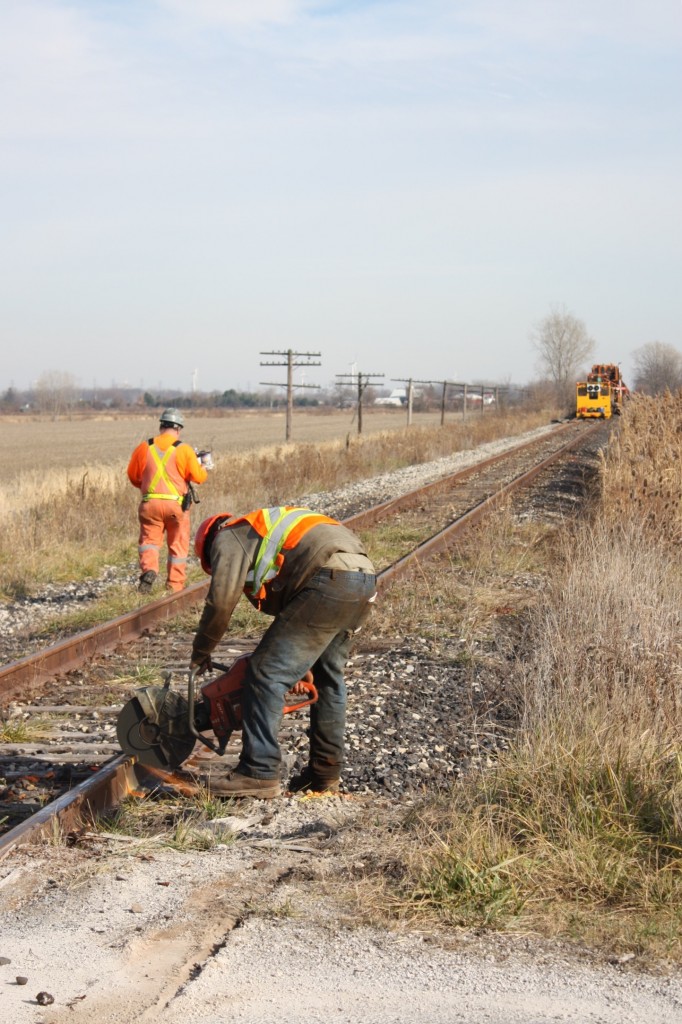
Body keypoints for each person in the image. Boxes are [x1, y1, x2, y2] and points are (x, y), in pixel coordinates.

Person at [191, 507, 377, 798]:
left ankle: (258, 771)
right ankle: (324, 775)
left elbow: (220, 601)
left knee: (265, 673)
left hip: (326, 577)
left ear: (209, 543)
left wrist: (201, 650)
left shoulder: (228, 537)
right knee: (328, 678)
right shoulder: (268, 526)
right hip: (362, 578)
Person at [127, 408, 210, 593]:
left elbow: (133, 476)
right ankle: (174, 586)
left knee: (149, 541)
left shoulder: (144, 447)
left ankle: (149, 570)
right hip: (176, 506)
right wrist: (204, 466)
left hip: (150, 504)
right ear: (178, 429)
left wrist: (148, 486)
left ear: (160, 426)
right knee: (178, 546)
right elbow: (198, 477)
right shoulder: (185, 450)